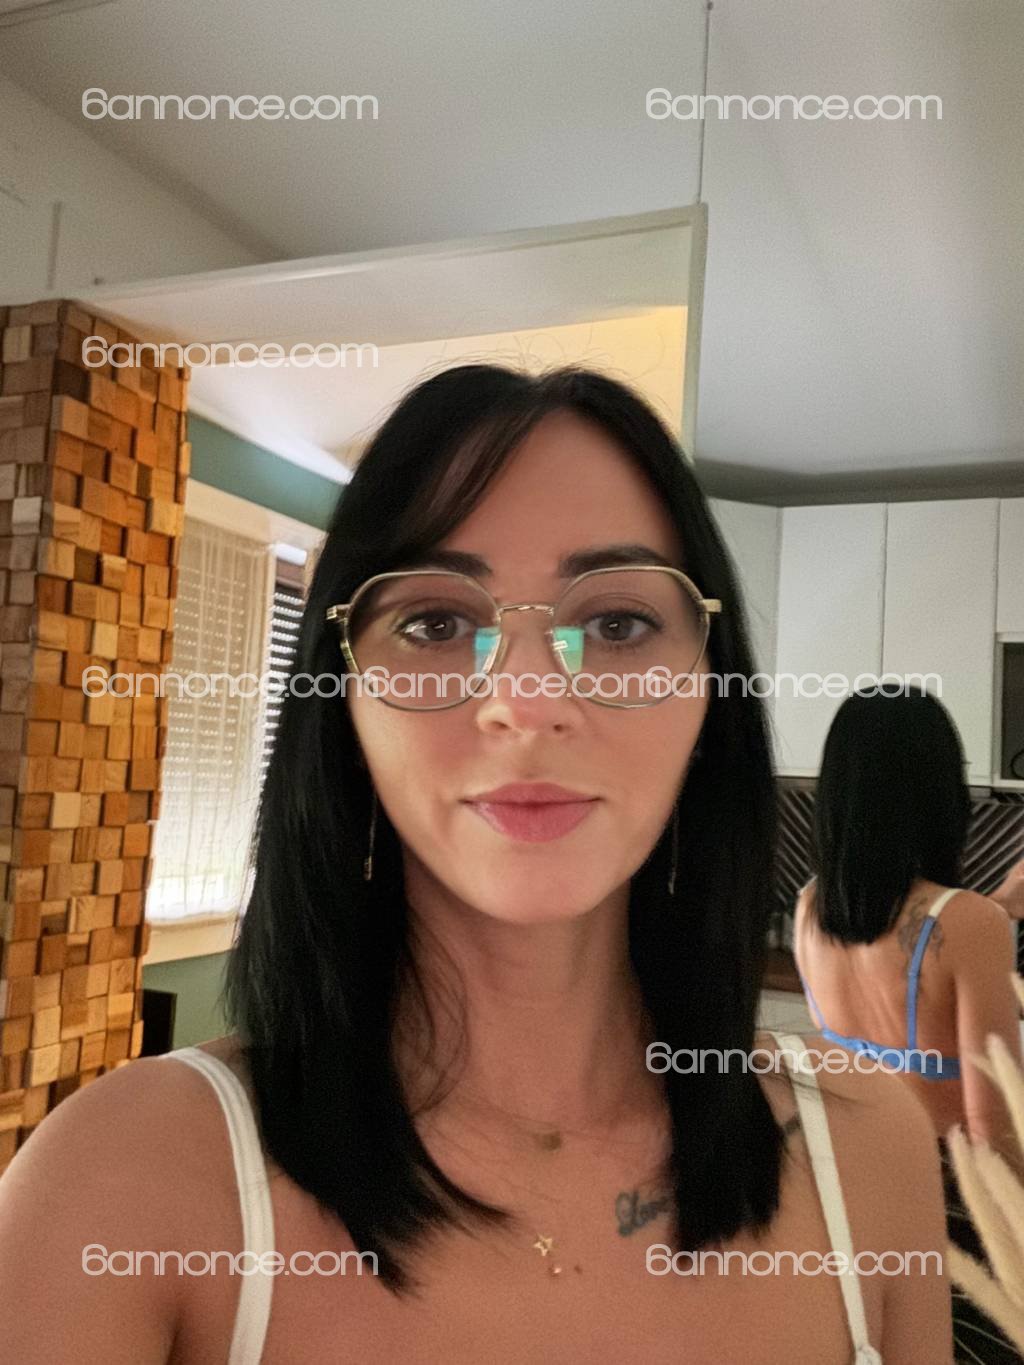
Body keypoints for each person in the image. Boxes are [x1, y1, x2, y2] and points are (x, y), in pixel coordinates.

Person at [0, 366, 951, 1362]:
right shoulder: (124, 1185)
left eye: (616, 624)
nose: (526, 701)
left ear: (710, 699)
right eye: (436, 624)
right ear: (342, 701)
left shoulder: (868, 1153)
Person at [794, 688, 1024, 1363]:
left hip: (848, 1184)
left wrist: (1003, 904)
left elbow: (903, 975)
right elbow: (992, 1130)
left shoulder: (809, 906)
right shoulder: (969, 924)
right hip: (949, 1205)